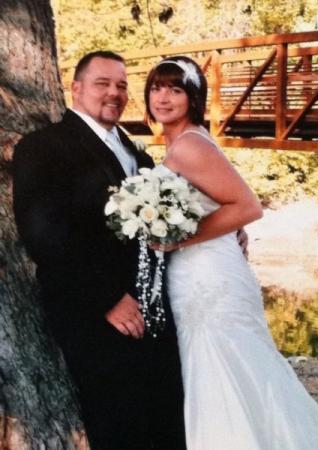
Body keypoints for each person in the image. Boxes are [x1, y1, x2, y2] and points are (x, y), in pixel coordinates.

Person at [144, 55, 318, 450]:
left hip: (206, 277)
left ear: (193, 97)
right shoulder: (188, 140)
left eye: (175, 89)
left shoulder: (188, 146)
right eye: (156, 88)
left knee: (221, 367)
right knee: (237, 367)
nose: (163, 98)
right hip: (208, 270)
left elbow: (248, 206)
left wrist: (178, 239)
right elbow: (219, 202)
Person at [12, 51, 187, 450]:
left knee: (166, 420)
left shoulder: (138, 154)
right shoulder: (45, 146)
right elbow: (44, 234)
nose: (114, 93)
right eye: (102, 83)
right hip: (94, 316)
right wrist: (107, 299)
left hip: (152, 311)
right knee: (118, 424)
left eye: (122, 85)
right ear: (76, 89)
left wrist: (226, 234)